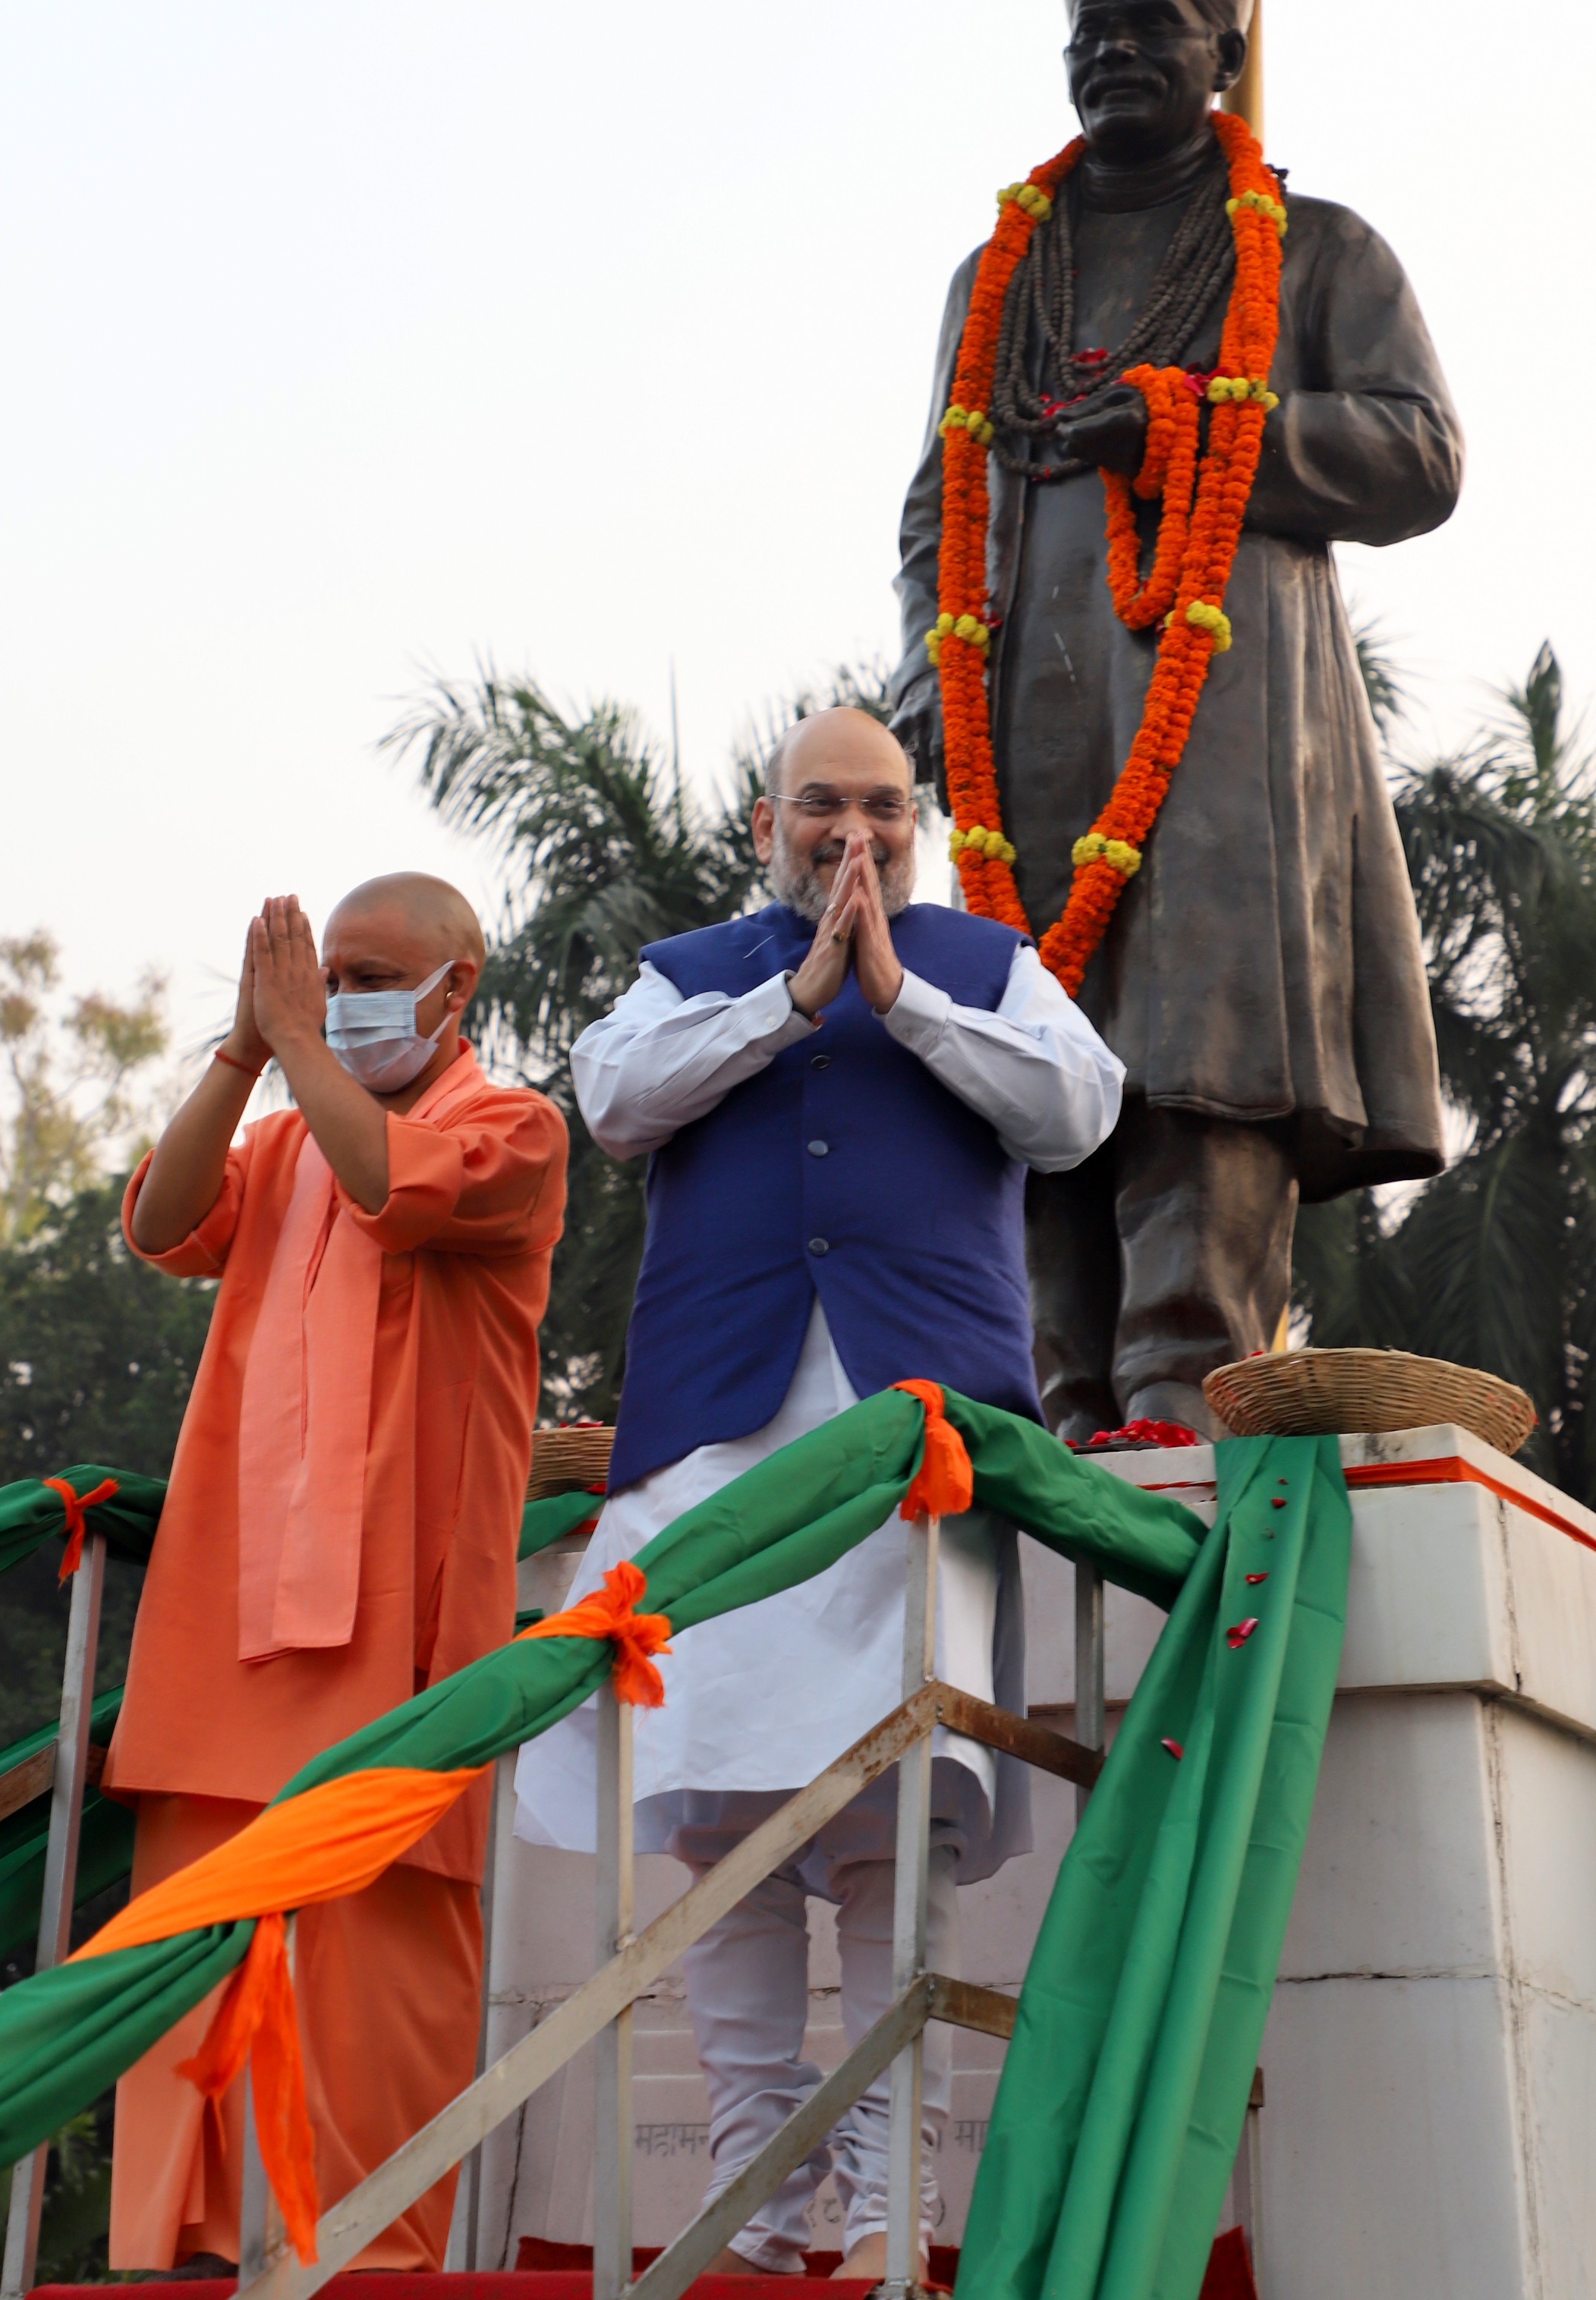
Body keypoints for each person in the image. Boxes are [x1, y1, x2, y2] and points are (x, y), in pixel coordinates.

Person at [515, 704, 1121, 2280]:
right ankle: (751, 2200)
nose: (851, 834)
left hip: (911, 1450)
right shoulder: (690, 971)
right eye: (819, 808)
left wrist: (902, 999)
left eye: (879, 806)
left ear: (914, 822)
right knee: (725, 1822)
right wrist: (793, 1002)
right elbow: (617, 1099)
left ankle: (884, 2204)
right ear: (767, 823)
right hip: (717, 1443)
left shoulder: (986, 965)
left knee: (890, 1818)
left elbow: (1078, 1111)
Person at [892, 0, 1461, 1443]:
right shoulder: (992, 277)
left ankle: (1179, 1400)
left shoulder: (1322, 251)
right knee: (1036, 1055)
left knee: (1202, 1054)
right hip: (1022, 714)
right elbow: (935, 507)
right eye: (1091, 32)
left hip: (1223, 718)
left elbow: (1419, 454)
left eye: (1152, 27)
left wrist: (1196, 425)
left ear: (1224, 48)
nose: (1113, 56)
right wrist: (916, 689)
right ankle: (1057, 1407)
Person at [103, 877, 567, 2274]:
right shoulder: (283, 1130)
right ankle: (178, 2248)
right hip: (225, 1632)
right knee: (183, 1969)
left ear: (458, 986)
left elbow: (392, 1186)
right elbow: (160, 1223)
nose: (343, 996)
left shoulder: (515, 1128)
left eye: (372, 975)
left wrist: (301, 1045)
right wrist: (246, 1051)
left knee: (370, 1986)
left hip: (398, 1638)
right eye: (328, 975)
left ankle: (361, 2257)